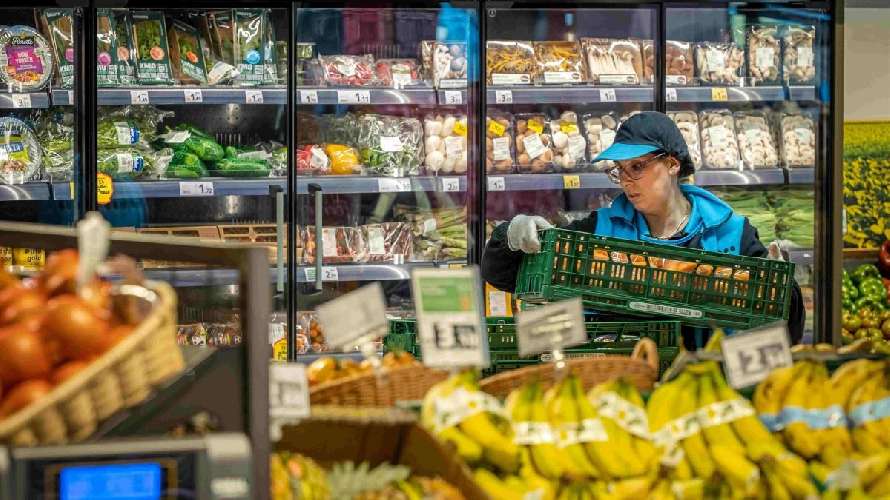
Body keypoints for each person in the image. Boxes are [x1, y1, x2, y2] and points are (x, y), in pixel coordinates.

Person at [482, 111, 805, 346]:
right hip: (620, 385)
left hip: (710, 387)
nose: (626, 181)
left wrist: (782, 291)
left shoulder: (731, 233)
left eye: (637, 167)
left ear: (673, 164)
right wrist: (509, 239)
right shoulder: (601, 230)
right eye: (620, 171)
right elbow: (504, 276)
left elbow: (784, 331)